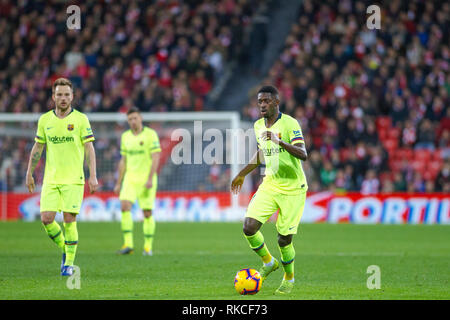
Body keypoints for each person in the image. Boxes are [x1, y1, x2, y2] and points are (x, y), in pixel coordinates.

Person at [231, 85, 308, 295]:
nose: (262, 105)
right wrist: (242, 173)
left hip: (293, 188)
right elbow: (262, 153)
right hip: (271, 183)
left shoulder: (290, 123)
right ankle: (268, 262)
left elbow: (303, 153)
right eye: (260, 102)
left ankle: (288, 278)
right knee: (249, 227)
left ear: (276, 102)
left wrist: (279, 141)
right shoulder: (258, 126)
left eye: (266, 101)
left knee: (284, 239)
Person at [25, 78, 98, 276]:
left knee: (69, 219)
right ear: (53, 97)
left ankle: (69, 265)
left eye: (67, 94)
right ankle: (66, 249)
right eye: (59, 94)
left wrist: (93, 176)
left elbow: (89, 148)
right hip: (51, 179)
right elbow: (38, 147)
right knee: (47, 219)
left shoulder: (81, 119)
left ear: (72, 96)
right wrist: (29, 172)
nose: (63, 98)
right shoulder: (44, 120)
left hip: (74, 179)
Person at [114, 107, 161, 256]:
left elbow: (156, 157)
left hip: (146, 179)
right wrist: (118, 182)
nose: (133, 121)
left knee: (147, 213)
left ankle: (148, 247)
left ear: (140, 118)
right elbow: (123, 160)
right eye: (130, 119)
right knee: (124, 206)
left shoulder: (150, 135)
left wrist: (150, 178)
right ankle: (128, 244)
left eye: (135, 118)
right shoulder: (125, 137)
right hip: (130, 179)